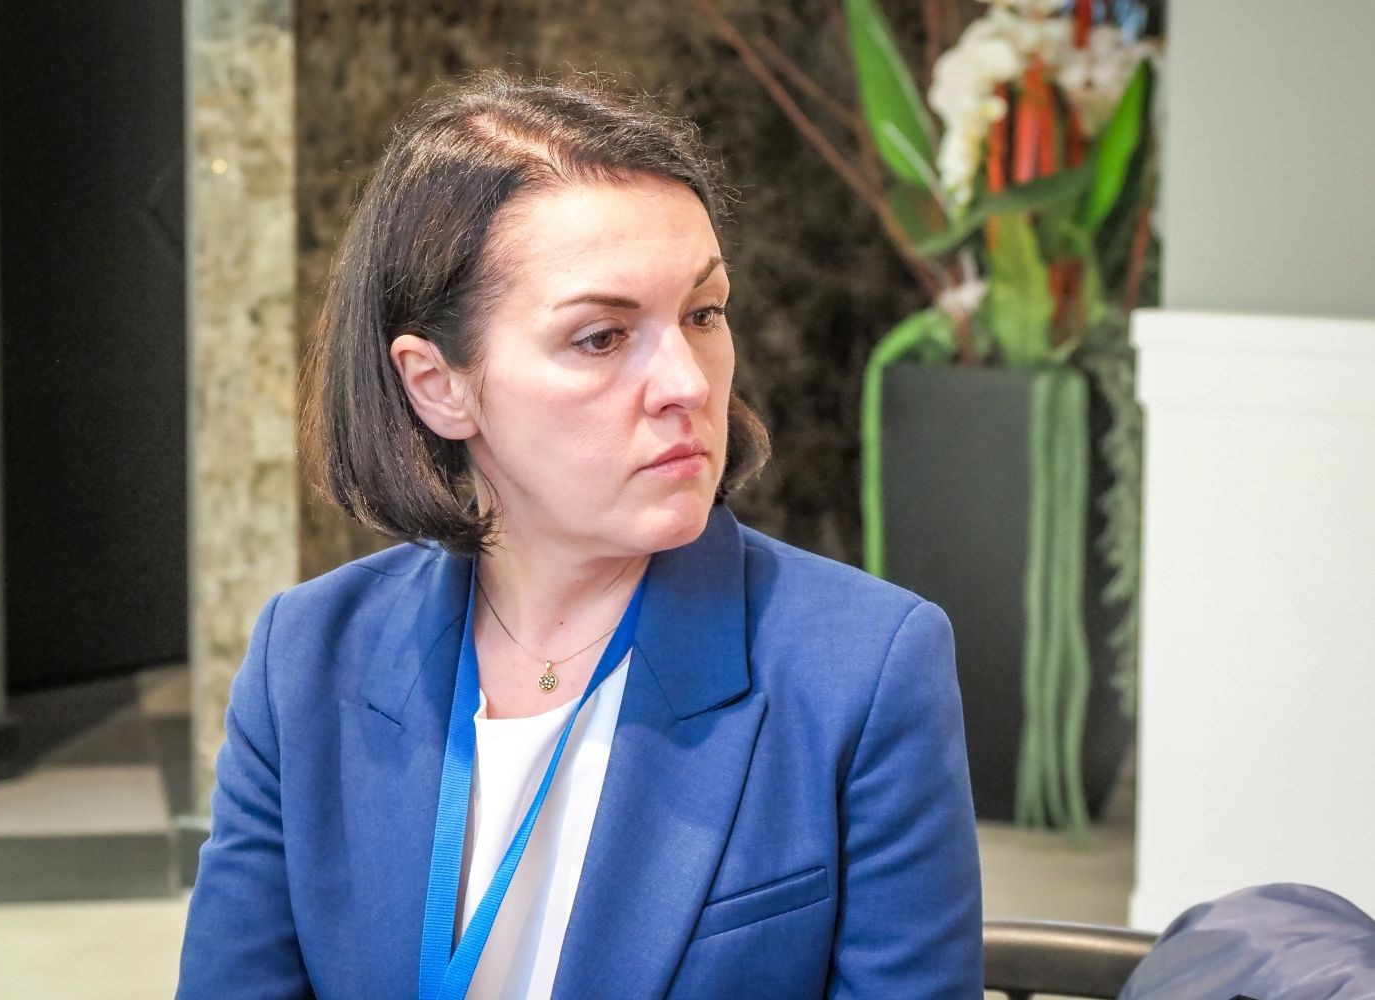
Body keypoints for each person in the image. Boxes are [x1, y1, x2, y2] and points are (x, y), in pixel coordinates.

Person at [177, 69, 982, 999]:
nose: (687, 383)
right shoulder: (307, 659)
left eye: (704, 314)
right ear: (438, 385)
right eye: (601, 337)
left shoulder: (863, 668)